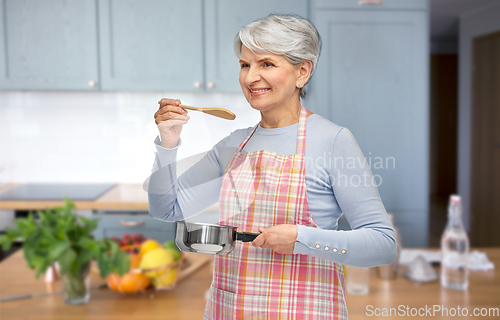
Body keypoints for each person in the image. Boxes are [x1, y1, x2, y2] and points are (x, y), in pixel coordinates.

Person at [148, 14, 396, 319]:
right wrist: (168, 143)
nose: (251, 77)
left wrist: (302, 238)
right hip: (231, 309)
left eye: (266, 63)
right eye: (244, 64)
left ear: (302, 72)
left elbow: (383, 244)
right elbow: (166, 209)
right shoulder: (234, 146)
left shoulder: (332, 141)